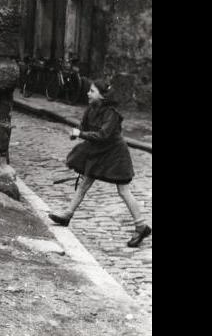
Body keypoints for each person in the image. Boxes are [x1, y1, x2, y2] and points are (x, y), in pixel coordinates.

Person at [48, 80, 152, 247]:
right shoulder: (91, 109)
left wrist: (80, 134)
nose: (88, 93)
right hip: (98, 152)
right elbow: (84, 126)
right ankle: (67, 215)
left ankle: (141, 226)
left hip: (115, 154)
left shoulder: (111, 113)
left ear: (102, 96)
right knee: (84, 184)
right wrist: (77, 133)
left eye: (92, 91)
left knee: (123, 191)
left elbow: (103, 135)